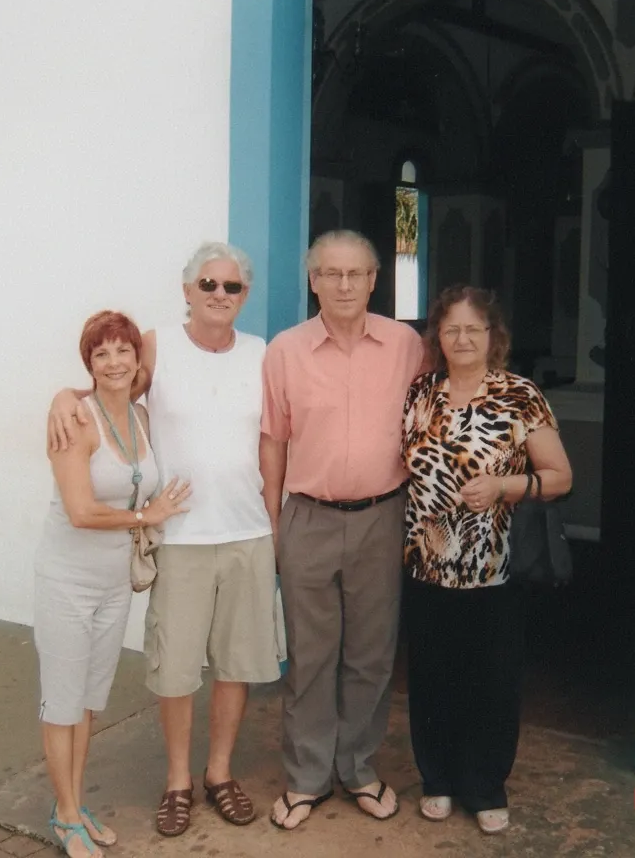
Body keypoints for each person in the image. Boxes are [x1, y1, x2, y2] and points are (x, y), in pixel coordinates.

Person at [48, 243, 281, 838]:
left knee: (236, 666)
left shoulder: (260, 354)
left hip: (246, 530)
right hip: (179, 537)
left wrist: (274, 520)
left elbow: (274, 440)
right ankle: (178, 780)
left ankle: (219, 773)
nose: (219, 295)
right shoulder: (159, 345)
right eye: (208, 284)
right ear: (187, 290)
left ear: (244, 296)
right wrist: (63, 396)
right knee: (176, 667)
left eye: (231, 287)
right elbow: (112, 386)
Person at [260, 229, 428, 830]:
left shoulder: (407, 345)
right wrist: (276, 522)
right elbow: (273, 438)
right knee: (309, 655)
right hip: (307, 515)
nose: (345, 284)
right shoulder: (286, 350)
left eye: (356, 273)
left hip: (384, 515)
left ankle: (357, 766)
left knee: (370, 654)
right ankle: (307, 777)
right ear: (314, 281)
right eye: (331, 273)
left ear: (374, 280)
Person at [401, 286, 572, 835]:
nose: (463, 338)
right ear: (438, 337)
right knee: (431, 676)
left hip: (494, 567)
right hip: (427, 564)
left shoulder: (520, 395)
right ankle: (438, 777)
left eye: (474, 328)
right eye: (452, 329)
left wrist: (504, 484)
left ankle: (484, 782)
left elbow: (561, 477)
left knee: (491, 678)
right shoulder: (421, 391)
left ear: (493, 336)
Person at [35, 310, 190, 858]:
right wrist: (146, 517)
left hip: (113, 581)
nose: (115, 361)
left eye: (123, 350)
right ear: (89, 365)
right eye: (101, 354)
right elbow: (80, 510)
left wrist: (151, 509)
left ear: (136, 360)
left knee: (90, 698)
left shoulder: (142, 417)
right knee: (62, 700)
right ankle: (68, 816)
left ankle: (71, 806)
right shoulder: (73, 419)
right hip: (68, 579)